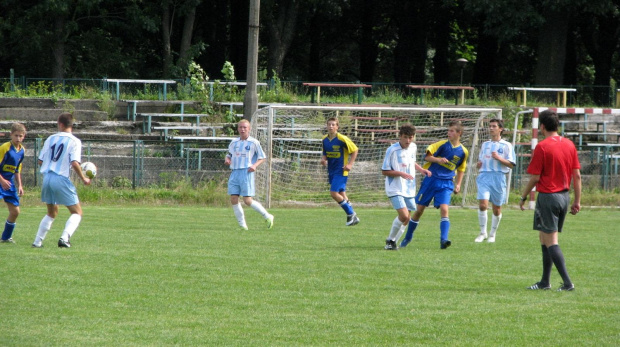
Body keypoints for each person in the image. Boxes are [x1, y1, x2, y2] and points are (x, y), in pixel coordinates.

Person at [520, 110, 581, 292]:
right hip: (564, 196)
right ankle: (545, 282)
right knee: (543, 238)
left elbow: (535, 177)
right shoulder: (569, 144)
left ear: (542, 126)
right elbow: (576, 175)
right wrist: (577, 201)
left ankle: (568, 283)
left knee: (551, 240)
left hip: (548, 196)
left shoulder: (542, 146)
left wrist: (523, 196)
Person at [400, 121, 468, 249]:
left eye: (452, 131)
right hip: (431, 180)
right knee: (419, 211)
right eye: (448, 130)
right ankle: (408, 237)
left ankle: (444, 240)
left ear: (459, 133)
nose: (449, 133)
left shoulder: (463, 151)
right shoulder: (441, 144)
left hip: (447, 183)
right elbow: (427, 157)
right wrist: (438, 160)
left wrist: (458, 184)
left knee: (444, 209)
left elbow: (461, 169)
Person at [32, 113, 91, 248]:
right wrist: (83, 178)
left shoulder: (50, 139)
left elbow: (40, 161)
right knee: (77, 212)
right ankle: (64, 238)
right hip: (61, 178)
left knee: (52, 212)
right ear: (71, 124)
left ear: (60, 124)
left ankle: (37, 242)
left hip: (47, 178)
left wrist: (50, 166)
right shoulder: (75, 141)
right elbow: (75, 163)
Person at [381, 124, 431, 250]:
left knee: (407, 218)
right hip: (395, 188)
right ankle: (389, 240)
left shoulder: (413, 147)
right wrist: (401, 173)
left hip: (408, 188)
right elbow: (384, 171)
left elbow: (412, 162)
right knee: (403, 216)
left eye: (410, 137)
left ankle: (392, 243)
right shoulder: (392, 150)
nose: (408, 141)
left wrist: (421, 170)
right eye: (405, 137)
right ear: (400, 136)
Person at [225, 119, 274, 230]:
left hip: (246, 172)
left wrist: (255, 165)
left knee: (247, 200)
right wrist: (227, 159)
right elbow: (229, 155)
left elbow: (262, 157)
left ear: (249, 129)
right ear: (237, 129)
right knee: (233, 198)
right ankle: (242, 225)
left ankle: (267, 216)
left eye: (245, 127)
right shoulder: (234, 142)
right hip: (234, 172)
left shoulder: (254, 142)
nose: (242, 129)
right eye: (240, 127)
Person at [474, 119, 516, 243]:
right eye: (490, 126)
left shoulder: (506, 145)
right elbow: (481, 161)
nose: (491, 128)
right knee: (483, 205)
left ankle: (492, 234)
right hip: (484, 176)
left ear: (500, 129)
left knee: (496, 208)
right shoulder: (485, 144)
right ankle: (482, 233)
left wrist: (499, 158)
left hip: (498, 177)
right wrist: (479, 164)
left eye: (494, 126)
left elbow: (512, 165)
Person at [320, 117, 360, 226]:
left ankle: (350, 214)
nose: (331, 126)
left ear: (337, 127)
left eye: (333, 124)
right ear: (327, 126)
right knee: (342, 193)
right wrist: (323, 159)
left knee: (334, 193)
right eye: (329, 124)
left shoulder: (342, 139)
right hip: (331, 170)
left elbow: (355, 149)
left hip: (341, 170)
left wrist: (350, 164)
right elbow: (325, 152)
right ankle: (354, 217)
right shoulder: (324, 139)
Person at [0, 123, 26, 244]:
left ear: (24, 136)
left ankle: (5, 237)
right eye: (16, 135)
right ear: (11, 135)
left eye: (20, 136)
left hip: (9, 183)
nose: (18, 138)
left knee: (15, 212)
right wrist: (2, 180)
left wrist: (20, 185)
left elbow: (17, 169)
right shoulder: (5, 147)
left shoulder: (22, 151)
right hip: (1, 180)